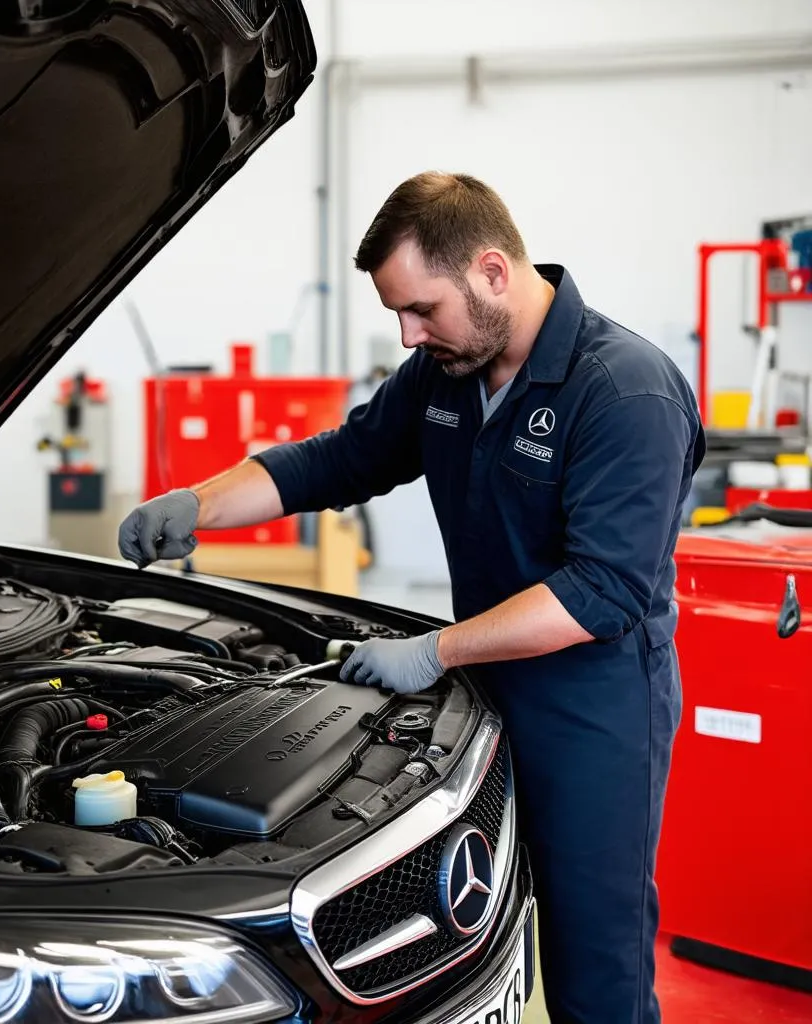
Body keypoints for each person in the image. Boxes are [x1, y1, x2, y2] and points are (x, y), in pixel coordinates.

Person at [117, 171, 705, 1023]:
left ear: (493, 272)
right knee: (472, 921)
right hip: (485, 685)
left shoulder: (624, 391)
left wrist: (433, 651)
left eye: (422, 309)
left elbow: (601, 592)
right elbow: (338, 460)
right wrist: (196, 505)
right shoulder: (447, 375)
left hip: (595, 707)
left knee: (594, 962)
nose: (406, 334)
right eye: (397, 313)